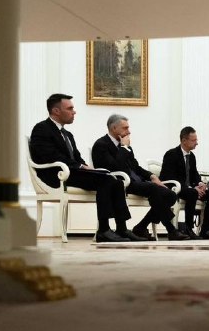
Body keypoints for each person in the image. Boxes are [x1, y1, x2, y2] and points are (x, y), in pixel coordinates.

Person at [28, 94, 144, 242]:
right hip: (55, 175)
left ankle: (121, 228)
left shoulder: (67, 134)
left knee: (115, 180)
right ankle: (103, 230)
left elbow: (76, 157)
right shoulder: (42, 128)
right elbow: (50, 156)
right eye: (70, 108)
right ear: (56, 111)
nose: (74, 112)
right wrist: (81, 166)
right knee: (106, 181)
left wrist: (86, 167)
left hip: (71, 172)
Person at [91, 114, 189, 241]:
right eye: (125, 128)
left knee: (169, 194)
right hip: (120, 183)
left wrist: (152, 176)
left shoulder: (126, 147)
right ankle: (171, 230)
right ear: (114, 128)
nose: (129, 131)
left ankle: (141, 227)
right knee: (155, 191)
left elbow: (136, 167)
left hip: (136, 181)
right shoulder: (101, 145)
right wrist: (124, 148)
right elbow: (115, 167)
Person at [160, 126, 209, 239]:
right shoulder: (171, 154)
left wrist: (200, 184)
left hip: (190, 189)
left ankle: (206, 230)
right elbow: (168, 177)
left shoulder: (191, 156)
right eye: (194, 140)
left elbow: (194, 175)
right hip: (176, 188)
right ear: (184, 140)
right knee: (192, 193)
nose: (197, 143)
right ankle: (189, 229)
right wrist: (192, 188)